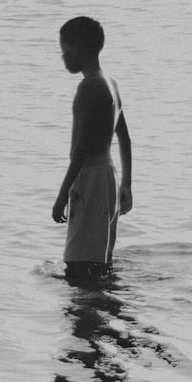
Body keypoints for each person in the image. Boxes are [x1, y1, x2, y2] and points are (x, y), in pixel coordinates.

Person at [52, 17, 132, 271]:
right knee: (100, 260)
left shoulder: (88, 88)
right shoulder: (110, 83)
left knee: (80, 264)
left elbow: (81, 150)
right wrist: (126, 184)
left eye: (64, 51)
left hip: (89, 179)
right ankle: (106, 306)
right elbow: (124, 138)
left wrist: (62, 194)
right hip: (108, 177)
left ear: (78, 48)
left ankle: (90, 308)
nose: (63, 58)